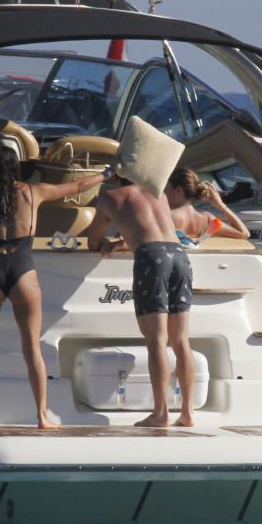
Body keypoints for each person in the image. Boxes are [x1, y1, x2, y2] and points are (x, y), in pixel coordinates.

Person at [0, 147, 112, 429]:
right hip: (23, 273)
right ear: (14, 169)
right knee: (32, 349)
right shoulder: (33, 192)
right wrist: (106, 174)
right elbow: (77, 186)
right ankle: (42, 417)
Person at [85, 172, 197, 428]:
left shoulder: (109, 196)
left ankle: (161, 413)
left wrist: (110, 242)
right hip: (179, 256)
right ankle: (188, 413)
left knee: (157, 340)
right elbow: (155, 232)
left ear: (115, 176)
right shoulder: (158, 193)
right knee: (181, 340)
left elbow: (93, 241)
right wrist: (125, 243)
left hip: (151, 259)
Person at [166, 167, 250, 241]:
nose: (163, 193)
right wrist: (220, 205)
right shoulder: (207, 220)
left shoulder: (167, 217)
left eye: (166, 188)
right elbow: (244, 233)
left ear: (178, 190)